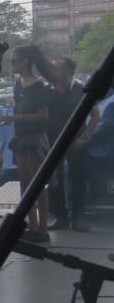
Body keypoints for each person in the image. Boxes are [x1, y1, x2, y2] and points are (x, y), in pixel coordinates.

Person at [1, 45, 56, 243]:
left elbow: (43, 116)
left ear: (25, 61)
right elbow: (18, 107)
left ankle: (42, 228)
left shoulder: (39, 86)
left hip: (34, 138)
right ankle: (32, 224)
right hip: (22, 137)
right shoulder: (19, 83)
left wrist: (15, 117)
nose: (12, 64)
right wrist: (12, 117)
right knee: (25, 183)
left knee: (38, 184)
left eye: (14, 60)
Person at [47, 57, 97, 233]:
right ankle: (60, 217)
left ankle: (78, 217)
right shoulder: (49, 90)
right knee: (55, 180)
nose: (52, 71)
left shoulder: (82, 89)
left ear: (68, 71)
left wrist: (84, 137)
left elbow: (95, 116)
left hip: (76, 141)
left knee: (78, 179)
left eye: (56, 68)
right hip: (53, 141)